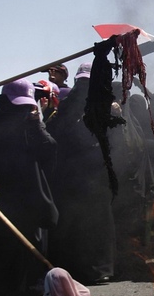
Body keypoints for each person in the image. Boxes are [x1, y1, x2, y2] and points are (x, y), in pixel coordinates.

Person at [0, 78, 58, 296]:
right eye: (17, 105)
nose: (22, 110)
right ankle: (4, 289)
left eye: (26, 105)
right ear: (5, 102)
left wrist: (36, 123)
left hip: (32, 190)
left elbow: (49, 149)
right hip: (4, 191)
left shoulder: (31, 125)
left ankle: (30, 284)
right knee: (5, 242)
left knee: (33, 238)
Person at [46, 62, 116, 284]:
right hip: (78, 175)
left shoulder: (105, 106)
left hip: (93, 174)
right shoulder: (70, 106)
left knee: (95, 221)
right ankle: (86, 268)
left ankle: (98, 268)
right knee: (81, 222)